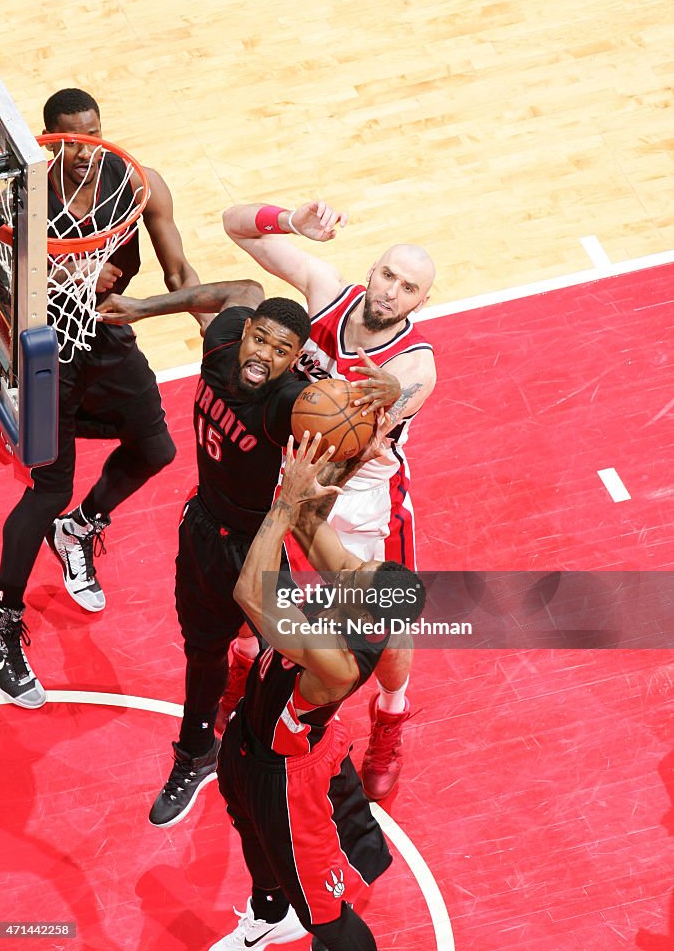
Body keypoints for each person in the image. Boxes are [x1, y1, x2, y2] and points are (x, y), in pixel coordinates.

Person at [96, 282, 399, 829]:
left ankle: (307, 754)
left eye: (281, 351)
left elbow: (318, 486)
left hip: (257, 544)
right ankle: (194, 755)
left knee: (289, 662)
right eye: (259, 339)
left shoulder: (290, 403)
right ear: (245, 333)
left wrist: (386, 400)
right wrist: (143, 307)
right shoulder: (220, 338)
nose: (264, 354)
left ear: (293, 360)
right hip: (203, 529)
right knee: (202, 654)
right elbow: (240, 288)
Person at [0, 87, 210, 710]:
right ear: (49, 137)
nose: (86, 149)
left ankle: (79, 530)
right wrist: (73, 275)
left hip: (106, 334)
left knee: (156, 447)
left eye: (94, 133)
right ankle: (1, 623)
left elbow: (177, 271)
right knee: (49, 484)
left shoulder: (137, 183)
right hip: (45, 347)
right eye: (73, 138)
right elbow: (4, 274)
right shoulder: (23, 193)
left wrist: (205, 326)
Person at [221, 199, 437, 799]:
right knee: (256, 585)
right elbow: (232, 226)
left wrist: (392, 396)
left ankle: (390, 716)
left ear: (422, 302)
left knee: (386, 629)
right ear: (371, 270)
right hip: (295, 469)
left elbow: (391, 410)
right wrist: (293, 221)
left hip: (362, 499)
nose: (392, 292)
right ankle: (242, 672)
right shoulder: (326, 293)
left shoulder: (416, 364)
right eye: (388, 275)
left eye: (409, 287)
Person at [211, 430, 426, 951]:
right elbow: (308, 522)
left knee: (326, 917)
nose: (348, 568)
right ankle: (267, 915)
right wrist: (335, 459)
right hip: (250, 737)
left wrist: (284, 504)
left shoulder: (337, 663)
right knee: (248, 827)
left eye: (357, 574)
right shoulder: (363, 599)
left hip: (288, 776)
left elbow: (251, 593)